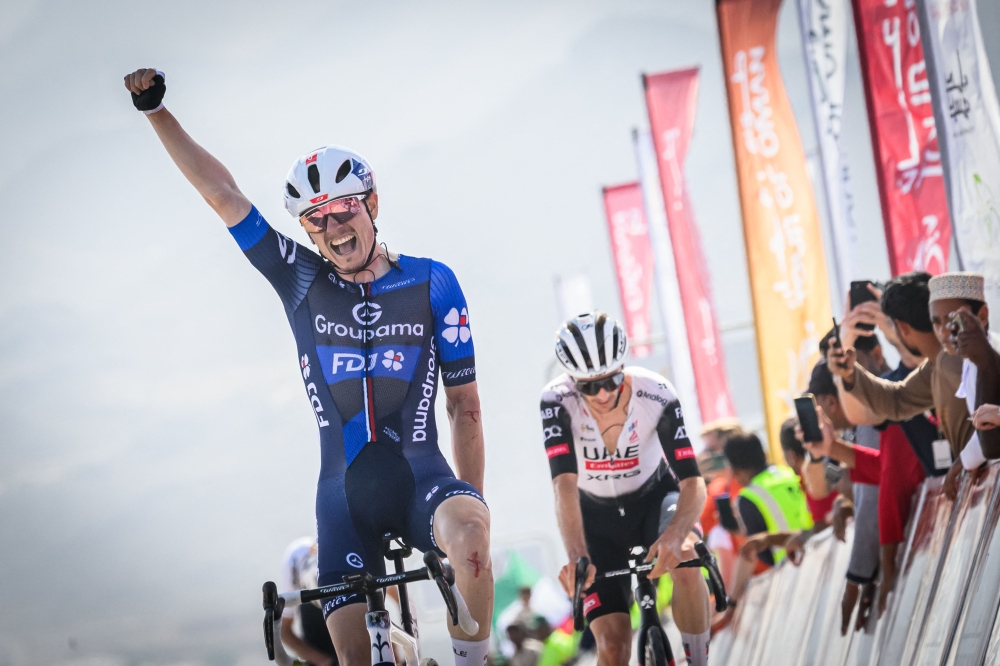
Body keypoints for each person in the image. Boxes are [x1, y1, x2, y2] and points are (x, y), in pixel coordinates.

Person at [123, 69, 493, 666]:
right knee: (353, 659)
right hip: (343, 498)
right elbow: (224, 196)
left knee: (473, 534)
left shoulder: (432, 281)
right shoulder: (300, 279)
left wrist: (469, 510)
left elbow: (465, 408)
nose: (333, 226)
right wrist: (155, 110)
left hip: (425, 482)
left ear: (371, 203)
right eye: (315, 218)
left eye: (343, 207)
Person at [541, 312, 711, 666]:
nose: (602, 393)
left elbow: (693, 481)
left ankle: (698, 660)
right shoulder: (556, 401)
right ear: (573, 382)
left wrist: (676, 534)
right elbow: (564, 485)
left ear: (624, 367)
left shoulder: (657, 393)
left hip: (654, 500)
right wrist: (576, 555)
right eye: (589, 386)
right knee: (614, 645)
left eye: (613, 380)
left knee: (688, 557)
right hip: (595, 521)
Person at [827, 272, 977, 499]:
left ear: (902, 328)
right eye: (938, 320)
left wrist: (969, 458)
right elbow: (897, 401)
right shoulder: (937, 364)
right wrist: (850, 374)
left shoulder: (956, 359)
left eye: (953, 319)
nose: (946, 330)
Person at [722, 432, 813, 604]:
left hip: (791, 570)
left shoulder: (747, 497)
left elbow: (759, 551)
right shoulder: (789, 473)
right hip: (820, 551)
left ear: (735, 469)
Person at [777, 418, 833, 563]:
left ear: (791, 455)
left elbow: (824, 525)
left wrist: (802, 538)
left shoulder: (811, 475)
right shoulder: (831, 463)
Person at [279, 537, 338, 666]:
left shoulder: (355, 552)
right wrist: (326, 662)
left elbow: (391, 590)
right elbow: (283, 629)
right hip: (320, 650)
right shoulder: (297, 557)